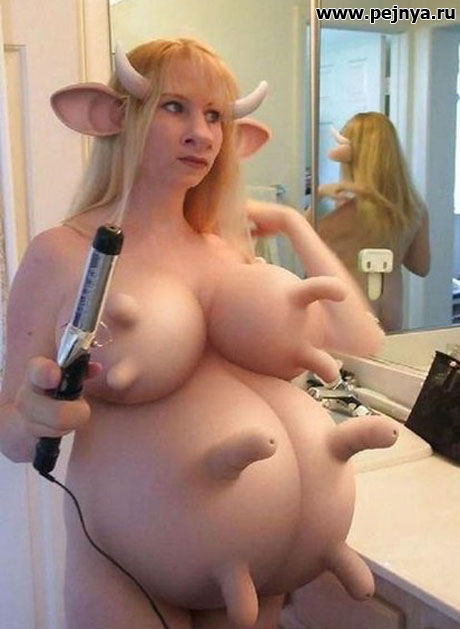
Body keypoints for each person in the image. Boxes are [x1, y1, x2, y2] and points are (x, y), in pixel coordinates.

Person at [0, 39, 393, 629]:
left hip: (257, 575)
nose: (201, 134)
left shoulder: (229, 252)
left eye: (214, 116)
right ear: (115, 116)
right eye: (174, 107)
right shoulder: (65, 253)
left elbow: (360, 342)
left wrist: (293, 223)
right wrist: (33, 417)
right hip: (125, 571)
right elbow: (9, 430)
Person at [307, 112, 431, 331]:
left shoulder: (336, 208)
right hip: (390, 319)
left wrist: (319, 194)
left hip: (342, 319)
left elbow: (295, 237)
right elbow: (421, 267)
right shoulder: (412, 208)